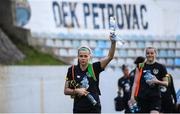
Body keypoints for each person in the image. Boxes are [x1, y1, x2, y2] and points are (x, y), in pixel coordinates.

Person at [64, 35, 116, 113]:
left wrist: (113, 42)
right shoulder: (72, 70)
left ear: (89, 57)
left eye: (85, 56)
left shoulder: (94, 68)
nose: (83, 58)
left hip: (94, 109)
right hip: (79, 109)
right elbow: (66, 90)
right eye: (81, 56)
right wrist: (77, 91)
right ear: (78, 57)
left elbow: (110, 57)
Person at [128, 47, 169, 113]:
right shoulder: (140, 66)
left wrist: (156, 81)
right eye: (148, 53)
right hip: (142, 98)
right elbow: (135, 83)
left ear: (155, 54)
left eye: (152, 53)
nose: (150, 55)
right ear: (145, 54)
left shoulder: (161, 67)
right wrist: (132, 97)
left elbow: (166, 83)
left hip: (155, 98)